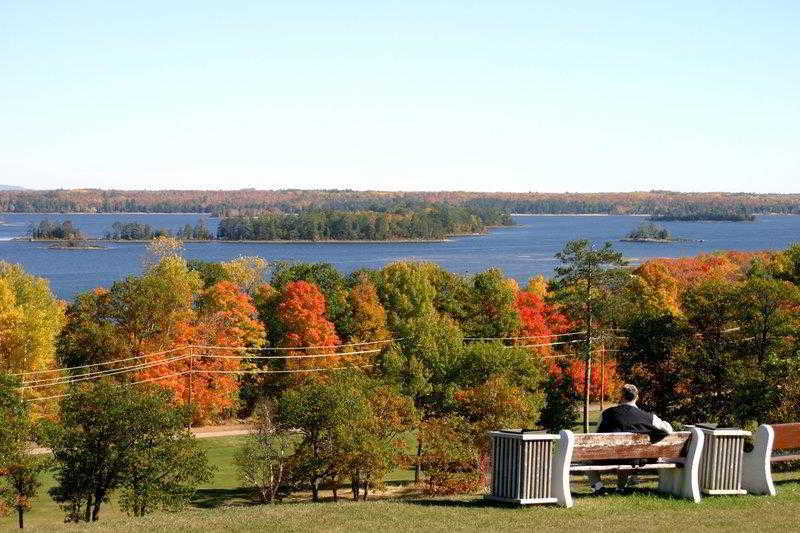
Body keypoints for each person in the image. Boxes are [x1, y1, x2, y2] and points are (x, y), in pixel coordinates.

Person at [588, 383, 673, 494]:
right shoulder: (649, 417)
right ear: (637, 397)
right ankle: (620, 488)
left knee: (588, 458)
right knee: (627, 455)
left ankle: (599, 488)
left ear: (621, 396)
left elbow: (594, 436)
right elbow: (669, 430)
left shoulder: (607, 414)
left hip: (609, 457)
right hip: (636, 458)